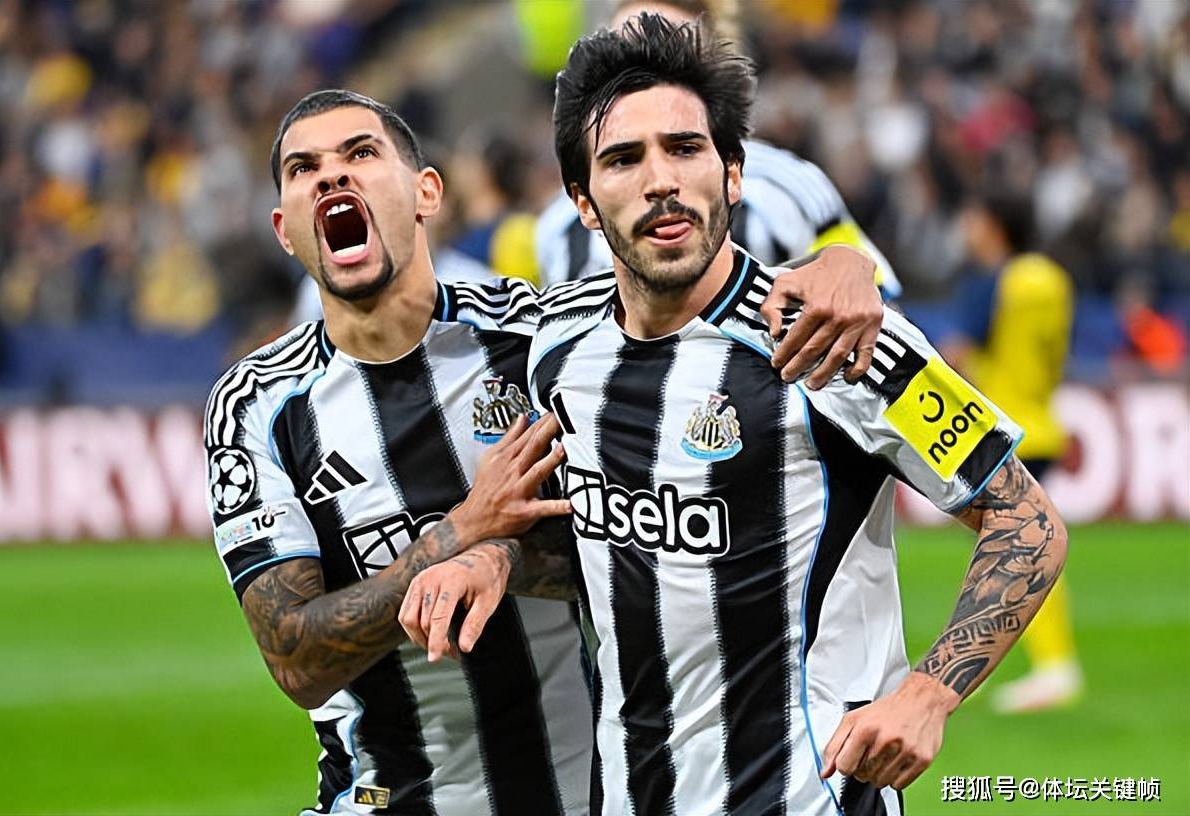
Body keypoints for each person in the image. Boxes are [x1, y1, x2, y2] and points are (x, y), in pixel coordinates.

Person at [401, 16, 1069, 816]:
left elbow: (1027, 522)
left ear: (732, 175)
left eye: (685, 148)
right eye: (623, 159)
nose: (660, 179)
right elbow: (597, 545)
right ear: (583, 202)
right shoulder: (557, 345)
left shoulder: (837, 336)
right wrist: (493, 559)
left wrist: (929, 693)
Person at [204, 87, 886, 814]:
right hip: (380, 797)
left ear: (427, 192)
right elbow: (297, 661)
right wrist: (460, 532)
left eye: (360, 153)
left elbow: (694, 289)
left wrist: (844, 263)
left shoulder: (541, 337)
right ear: (284, 228)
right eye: (304, 168)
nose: (332, 176)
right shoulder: (257, 407)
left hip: (579, 796)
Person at [534, 0, 904, 313]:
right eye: (625, 54)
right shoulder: (558, 228)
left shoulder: (789, 187)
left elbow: (873, 305)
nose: (645, 79)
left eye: (671, 54)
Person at [944, 189, 1083, 713]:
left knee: (1019, 547)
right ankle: (1031, 664)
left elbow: (958, 355)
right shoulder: (1050, 277)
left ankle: (1054, 666)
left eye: (974, 217)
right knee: (1023, 538)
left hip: (1001, 428)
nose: (967, 227)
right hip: (1043, 417)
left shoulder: (993, 281)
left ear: (993, 225)